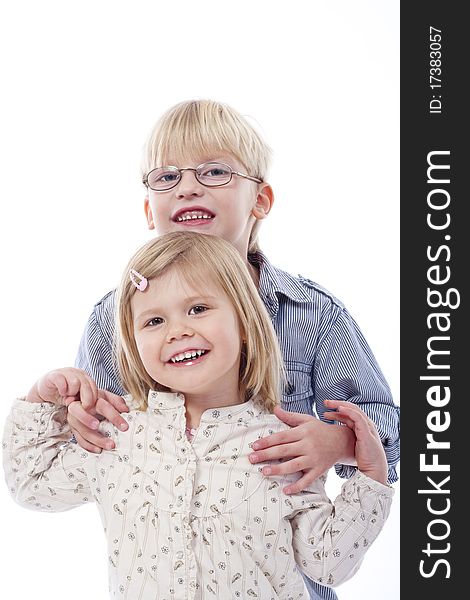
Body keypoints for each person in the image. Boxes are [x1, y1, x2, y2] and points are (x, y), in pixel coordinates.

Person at [67, 99, 400, 600]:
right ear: (148, 210)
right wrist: (75, 418)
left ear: (260, 200)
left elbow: (388, 427)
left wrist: (341, 442)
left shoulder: (310, 313)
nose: (188, 186)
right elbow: (93, 448)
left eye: (215, 171)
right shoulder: (111, 318)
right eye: (167, 177)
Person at [3, 231, 394, 600]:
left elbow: (328, 563)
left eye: (198, 308)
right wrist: (42, 399)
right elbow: (32, 484)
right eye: (154, 321)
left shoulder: (281, 445)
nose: (177, 331)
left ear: (244, 322)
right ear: (132, 343)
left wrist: (371, 480)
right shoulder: (119, 434)